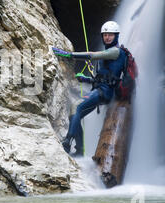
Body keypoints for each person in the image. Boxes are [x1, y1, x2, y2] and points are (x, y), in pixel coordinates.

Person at [52, 21, 127, 157]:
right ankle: (79, 150)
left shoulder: (116, 52)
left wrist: (69, 55)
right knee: (76, 113)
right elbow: (102, 78)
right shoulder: (108, 54)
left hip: (105, 93)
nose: (107, 38)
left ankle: (68, 142)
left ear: (116, 36)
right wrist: (86, 79)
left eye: (110, 35)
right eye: (105, 35)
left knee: (76, 107)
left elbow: (92, 55)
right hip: (100, 91)